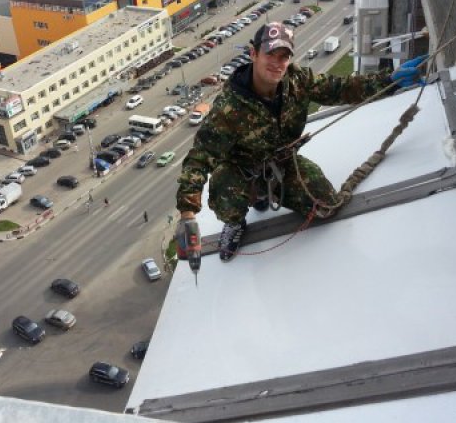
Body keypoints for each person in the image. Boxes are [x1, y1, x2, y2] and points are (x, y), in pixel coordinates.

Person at [176, 21, 424, 262]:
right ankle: (236, 221)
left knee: (326, 206)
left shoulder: (297, 81)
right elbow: (199, 158)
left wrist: (389, 80)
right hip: (241, 172)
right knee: (226, 199)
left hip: (282, 165)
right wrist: (187, 214)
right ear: (253, 54)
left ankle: (266, 194)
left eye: (283, 56)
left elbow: (341, 88)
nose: (277, 63)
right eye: (270, 54)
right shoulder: (229, 108)